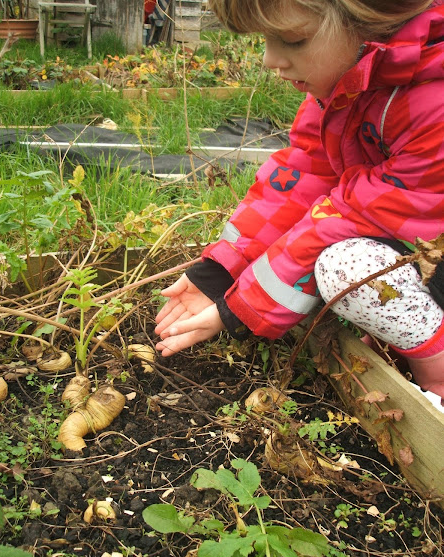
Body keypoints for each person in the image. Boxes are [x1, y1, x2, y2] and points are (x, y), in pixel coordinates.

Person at [155, 0, 444, 399]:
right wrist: (219, 273)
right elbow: (303, 177)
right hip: (428, 246)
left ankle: (439, 378)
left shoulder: (436, 104)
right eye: (266, 40)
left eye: (292, 40)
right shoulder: (346, 90)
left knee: (348, 269)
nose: (271, 59)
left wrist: (239, 309)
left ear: (369, 20)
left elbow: (354, 215)